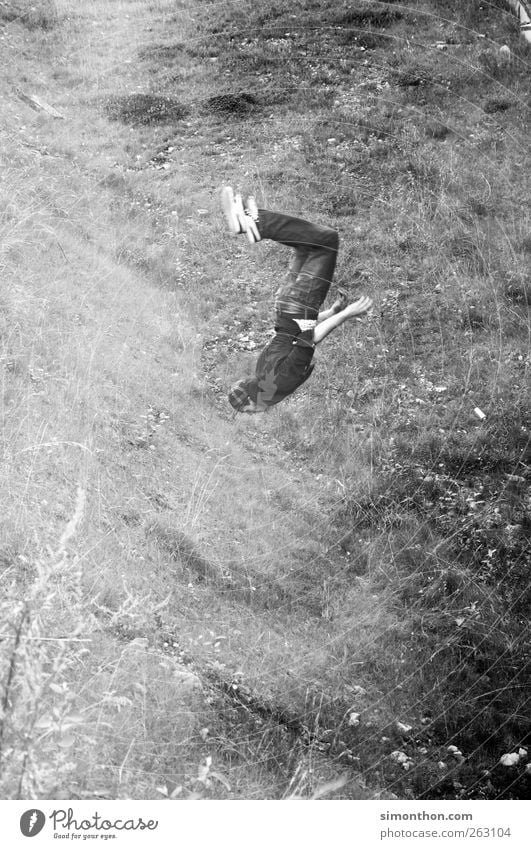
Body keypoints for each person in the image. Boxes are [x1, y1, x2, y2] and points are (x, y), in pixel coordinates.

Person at [221, 187, 373, 414]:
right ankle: (253, 219)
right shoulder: (262, 372)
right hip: (285, 305)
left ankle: (255, 224)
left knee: (327, 242)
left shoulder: (279, 385)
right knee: (308, 244)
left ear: (254, 402)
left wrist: (347, 314)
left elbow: (309, 339)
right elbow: (292, 332)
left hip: (301, 303)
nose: (254, 414)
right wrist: (331, 312)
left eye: (249, 411)